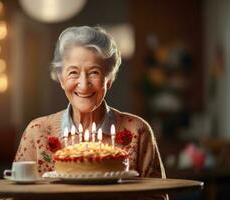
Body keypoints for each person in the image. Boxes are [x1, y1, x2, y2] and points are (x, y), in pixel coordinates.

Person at [14, 26, 166, 179]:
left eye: (94, 72)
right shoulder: (37, 132)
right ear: (61, 79)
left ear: (109, 79)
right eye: (73, 72)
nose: (84, 84)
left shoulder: (137, 131)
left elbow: (157, 195)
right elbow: (12, 195)